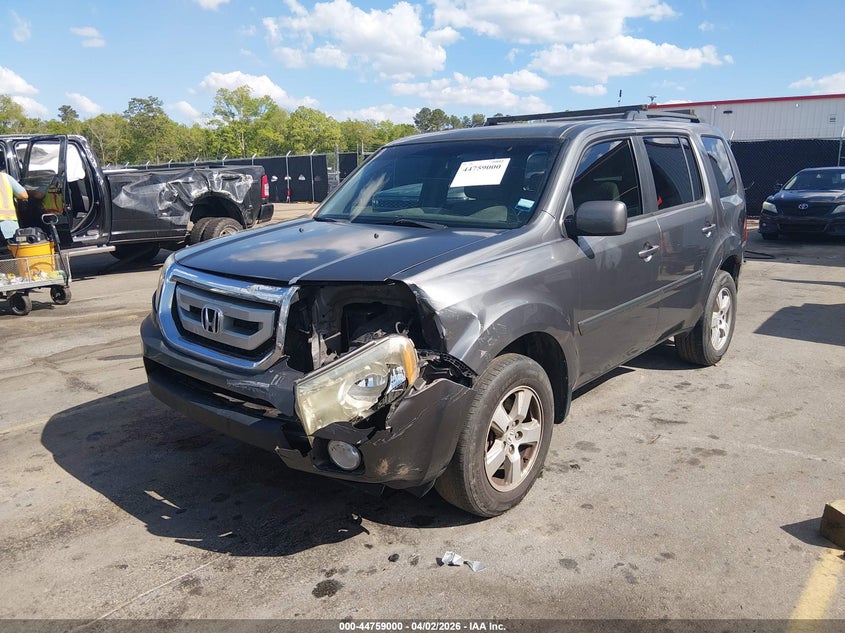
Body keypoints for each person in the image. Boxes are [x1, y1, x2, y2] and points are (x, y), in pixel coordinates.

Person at [0, 168, 28, 241]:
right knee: (11, 249)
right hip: (7, 223)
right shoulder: (4, 177)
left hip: (6, 223)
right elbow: (24, 195)